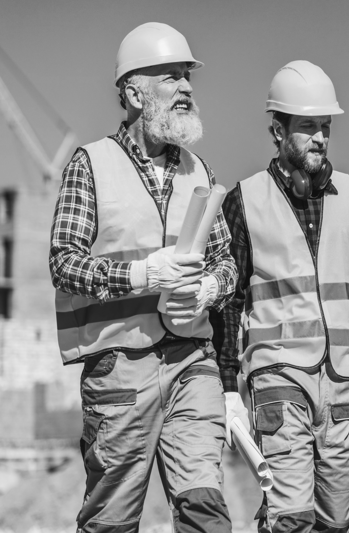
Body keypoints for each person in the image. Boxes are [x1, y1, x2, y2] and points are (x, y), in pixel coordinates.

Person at [49, 22, 236, 533]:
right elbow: (63, 262)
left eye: (187, 77)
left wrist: (209, 289)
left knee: (205, 507)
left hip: (191, 362)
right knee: (111, 520)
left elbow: (227, 263)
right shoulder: (91, 165)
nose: (186, 88)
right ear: (133, 92)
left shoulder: (200, 171)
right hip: (119, 370)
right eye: (171, 77)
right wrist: (139, 274)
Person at [209, 60, 349, 533]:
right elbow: (229, 298)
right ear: (278, 131)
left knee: (335, 519)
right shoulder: (245, 200)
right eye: (307, 127)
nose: (320, 137)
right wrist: (226, 381)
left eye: (325, 127)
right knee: (290, 516)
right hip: (277, 374)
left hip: (340, 378)